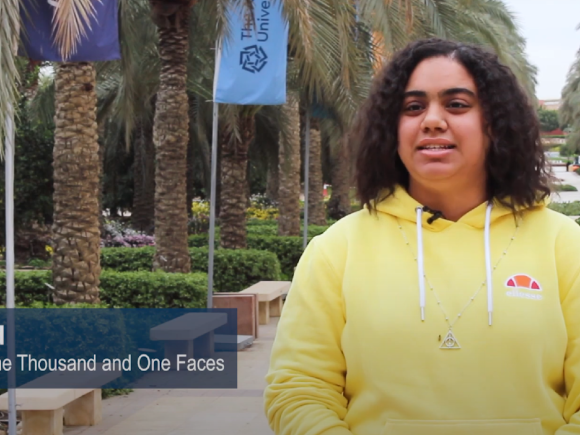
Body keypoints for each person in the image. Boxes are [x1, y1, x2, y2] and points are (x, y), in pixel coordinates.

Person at [263, 38, 580, 435]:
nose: (431, 119)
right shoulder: (336, 250)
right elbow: (299, 389)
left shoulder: (566, 246)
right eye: (413, 107)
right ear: (392, 129)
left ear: (495, 123)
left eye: (457, 104)